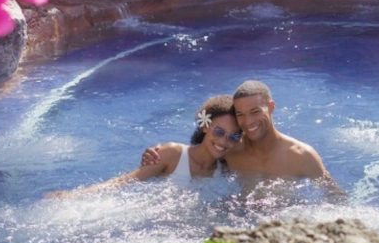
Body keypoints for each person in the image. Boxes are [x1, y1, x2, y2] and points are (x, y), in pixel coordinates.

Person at [144, 80, 341, 193]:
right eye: (240, 114)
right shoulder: (231, 148)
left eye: (255, 111)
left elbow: (335, 197)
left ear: (271, 107)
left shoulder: (302, 156)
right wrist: (157, 155)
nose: (248, 122)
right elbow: (197, 155)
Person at [49, 95, 242, 197]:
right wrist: (74, 196)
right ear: (205, 126)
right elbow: (124, 182)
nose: (224, 141)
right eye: (219, 132)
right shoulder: (172, 154)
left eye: (233, 136)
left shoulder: (226, 168)